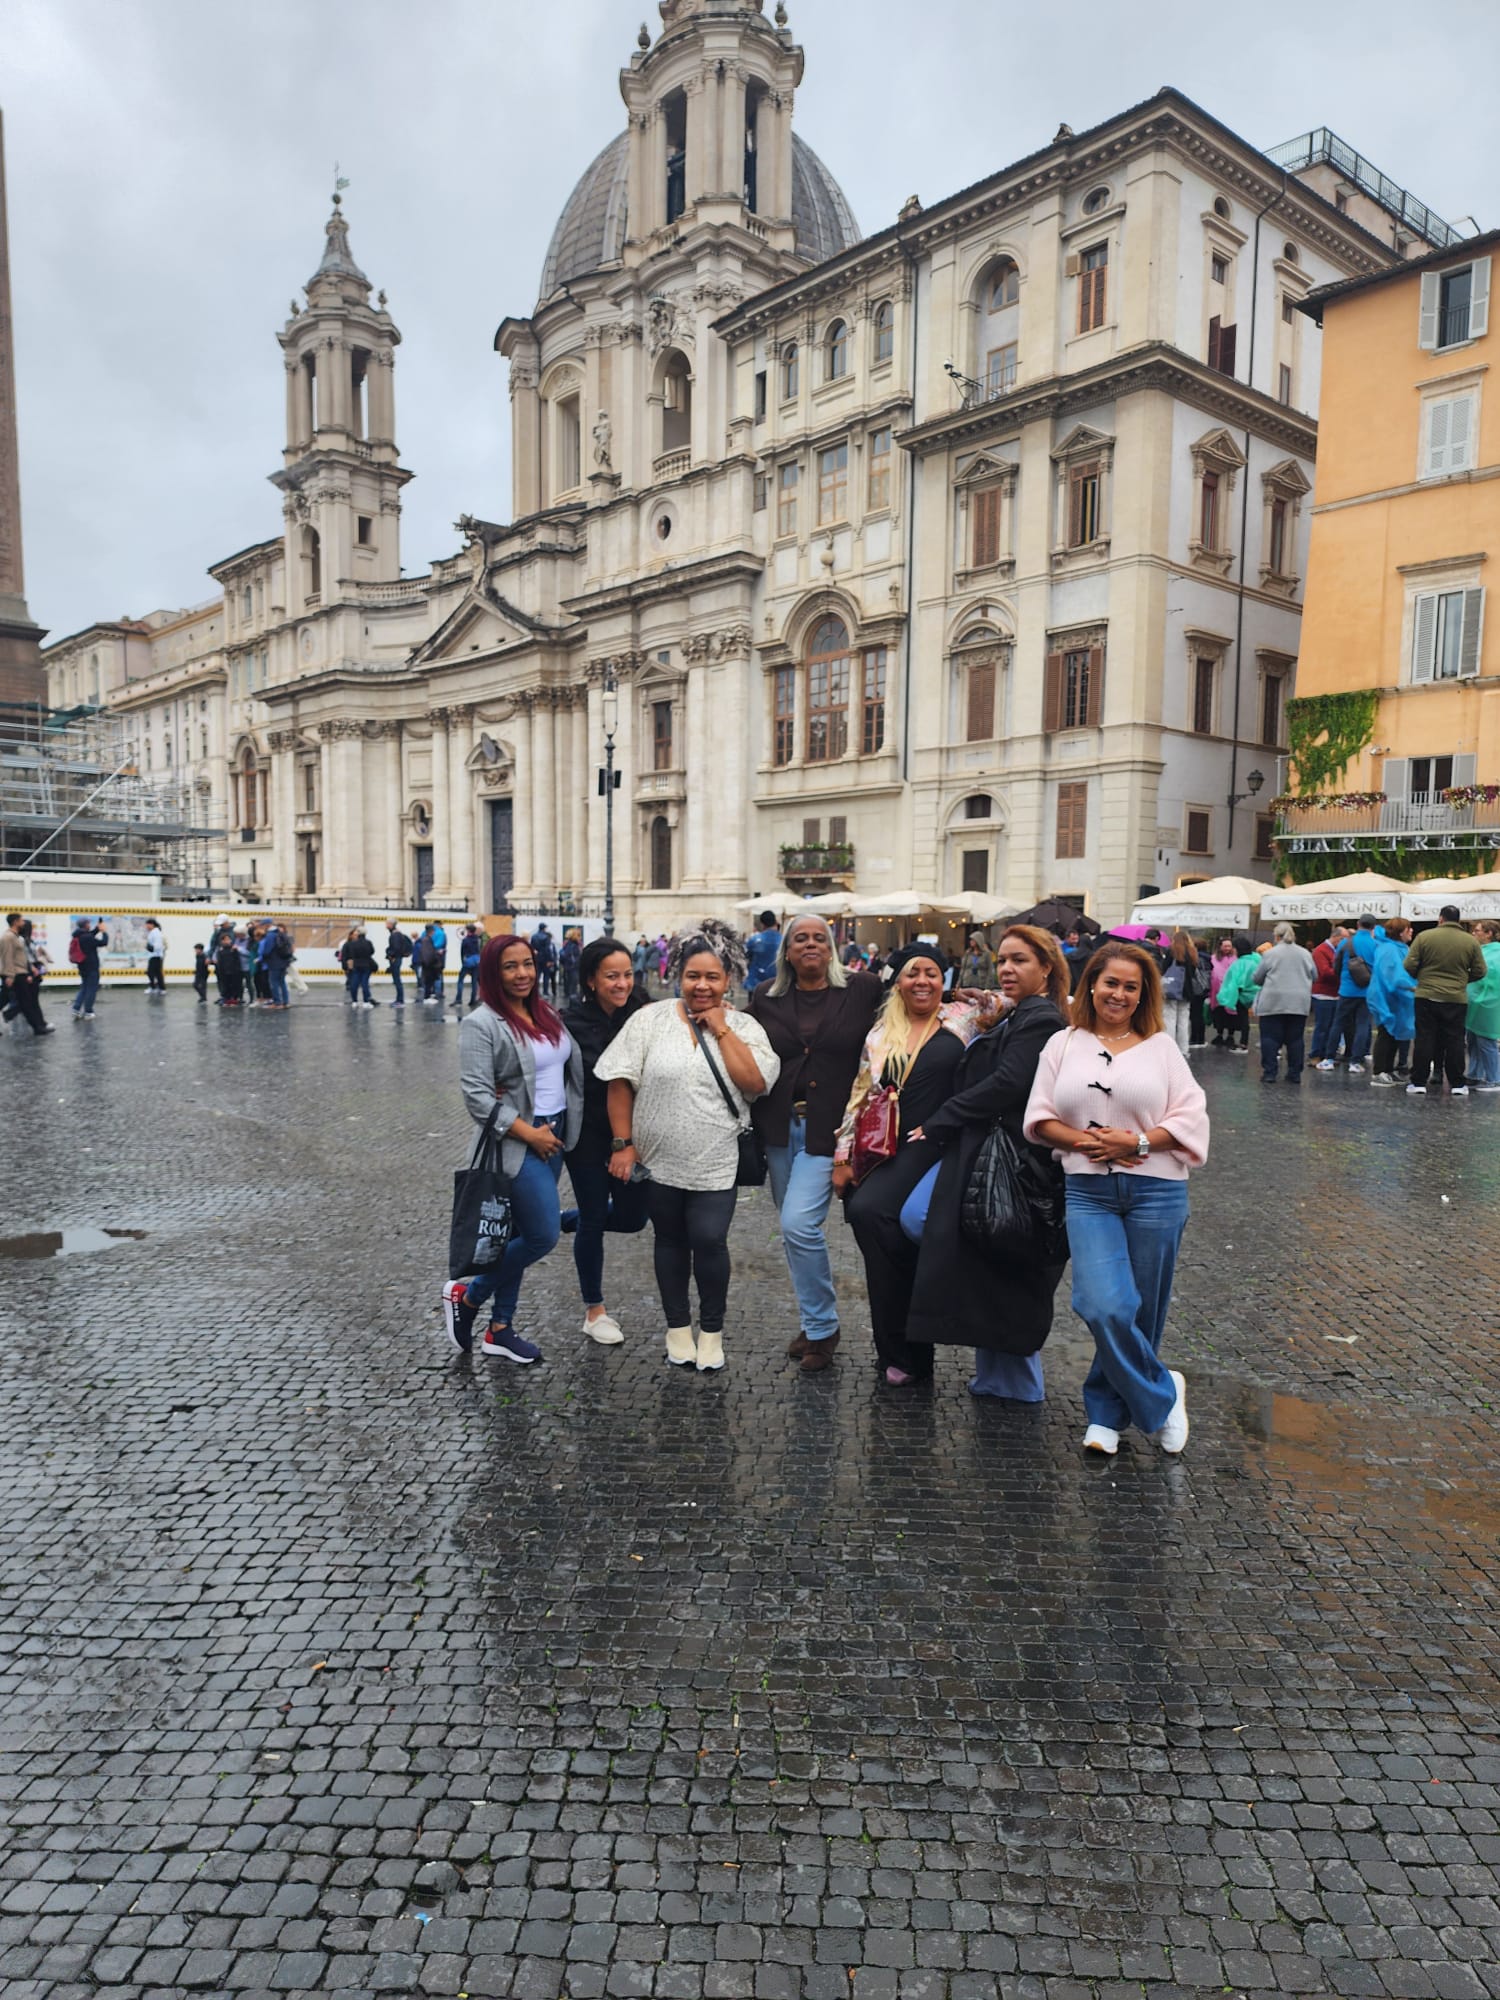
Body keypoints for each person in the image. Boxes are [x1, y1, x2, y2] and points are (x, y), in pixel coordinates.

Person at [1025, 942, 1209, 1457]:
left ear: (1143, 994)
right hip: (1089, 1192)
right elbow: (1039, 1117)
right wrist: (1090, 1143)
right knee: (1102, 1303)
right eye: (1111, 983)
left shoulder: (1162, 1047)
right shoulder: (1062, 1044)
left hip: (1158, 1191)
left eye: (1131, 987)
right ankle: (1164, 1392)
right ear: (1091, 985)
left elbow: (1191, 1116)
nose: (1119, 994)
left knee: (1142, 1311)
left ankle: (1105, 1414)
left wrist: (1138, 1143)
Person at [595, 920, 779, 1372]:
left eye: (712, 977)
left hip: (716, 1159)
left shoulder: (745, 1026)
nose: (702, 985)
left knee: (710, 1240)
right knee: (670, 1240)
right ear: (678, 975)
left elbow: (755, 1083)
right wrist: (623, 1144)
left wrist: (722, 1029)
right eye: (693, 976)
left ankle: (711, 1332)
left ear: (728, 979)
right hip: (659, 1160)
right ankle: (677, 1328)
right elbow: (620, 1083)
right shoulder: (650, 1020)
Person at [903, 925, 1072, 1400]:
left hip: (1010, 1154)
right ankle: (998, 1376)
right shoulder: (1019, 1011)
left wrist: (942, 1119)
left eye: (1019, 960)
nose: (1007, 969)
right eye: (1003, 961)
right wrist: (985, 1013)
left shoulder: (1041, 1019)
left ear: (1046, 968)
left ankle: (1014, 1381)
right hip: (987, 1145)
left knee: (979, 1244)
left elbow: (1009, 1082)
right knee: (984, 1250)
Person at [834, 944, 979, 1385]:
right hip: (889, 1144)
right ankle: (902, 1350)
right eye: (912, 972)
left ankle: (908, 1342)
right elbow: (860, 1095)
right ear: (897, 981)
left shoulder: (964, 1018)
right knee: (874, 1222)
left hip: (940, 1142)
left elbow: (1015, 1000)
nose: (922, 981)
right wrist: (843, 1156)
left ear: (944, 979)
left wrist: (963, 994)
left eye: (932, 973)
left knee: (869, 1210)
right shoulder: (881, 1033)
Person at [748, 915, 883, 1372]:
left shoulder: (862, 988)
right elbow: (741, 1039)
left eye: (819, 938)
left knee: (798, 1224)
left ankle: (823, 1329)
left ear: (832, 949)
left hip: (832, 1131)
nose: (810, 944)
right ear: (786, 951)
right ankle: (813, 1322)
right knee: (794, 1232)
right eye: (800, 938)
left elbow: (909, 1005)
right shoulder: (765, 996)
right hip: (780, 1128)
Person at [445, 934, 584, 1363]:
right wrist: (529, 1132)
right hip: (518, 1141)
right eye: (510, 966)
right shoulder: (482, 1023)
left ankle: (500, 1328)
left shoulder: (546, 1012)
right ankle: (468, 1296)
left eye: (528, 964)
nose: (523, 973)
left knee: (518, 1236)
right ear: (493, 972)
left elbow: (562, 1069)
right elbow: (476, 1097)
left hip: (556, 1135)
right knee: (542, 1236)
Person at [560, 937, 652, 1344]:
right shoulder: (569, 1022)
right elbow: (537, 1059)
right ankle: (594, 1310)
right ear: (591, 980)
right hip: (587, 1136)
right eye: (612, 976)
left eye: (628, 974)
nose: (622, 983)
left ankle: (565, 1221)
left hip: (634, 1137)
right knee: (595, 1217)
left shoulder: (646, 1013)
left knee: (634, 1218)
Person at [1405, 906, 1486, 1096]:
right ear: (1458, 920)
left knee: (1424, 1038)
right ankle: (1457, 1084)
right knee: (1455, 1039)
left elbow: (1409, 964)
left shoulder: (1424, 937)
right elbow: (1480, 970)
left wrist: (1421, 978)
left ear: (1440, 918)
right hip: (1456, 998)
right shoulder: (1470, 941)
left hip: (1426, 995)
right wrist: (1462, 981)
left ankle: (1418, 1082)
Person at [1251, 922, 1316, 1084]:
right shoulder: (1305, 953)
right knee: (1295, 1039)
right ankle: (1294, 1074)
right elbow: (1315, 975)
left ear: (1276, 936)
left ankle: (1270, 1073)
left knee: (1270, 1037)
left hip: (1273, 1001)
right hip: (1299, 1002)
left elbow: (1257, 978)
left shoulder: (1270, 954)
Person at [1320, 913, 1379, 1073]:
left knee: (1338, 1023)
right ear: (1373, 927)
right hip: (1366, 991)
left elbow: (1336, 966)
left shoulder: (1345, 943)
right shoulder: (1375, 945)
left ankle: (1329, 1058)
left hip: (1347, 990)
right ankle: (1355, 1061)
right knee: (1362, 1025)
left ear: (1358, 924)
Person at [1368, 919, 1416, 1085]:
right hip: (1387, 998)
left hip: (1394, 998)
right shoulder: (1390, 949)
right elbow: (1392, 975)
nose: (1411, 931)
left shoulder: (1396, 948)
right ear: (1401, 932)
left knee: (1394, 1034)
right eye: (1409, 929)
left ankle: (1388, 1069)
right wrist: (1410, 986)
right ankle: (1379, 1071)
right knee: (1386, 1034)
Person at [1, 913, 52, 1036]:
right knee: (16, 1000)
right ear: (15, 922)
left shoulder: (16, 937)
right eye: (21, 921)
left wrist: (31, 968)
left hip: (20, 973)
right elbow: (7, 957)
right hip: (15, 974)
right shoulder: (8, 937)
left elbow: (21, 957)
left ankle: (37, 1027)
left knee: (23, 1001)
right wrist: (9, 975)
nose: (23, 923)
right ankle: (37, 1027)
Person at [1464, 919, 1500, 1091]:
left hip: (1488, 1003)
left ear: (1488, 934)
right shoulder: (1481, 951)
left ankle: (1494, 1079)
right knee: (1473, 1040)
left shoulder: (1495, 953)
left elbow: (1490, 975)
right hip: (1476, 1001)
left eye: (1477, 931)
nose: (1473, 934)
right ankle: (1474, 1075)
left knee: (1486, 1041)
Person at [1308, 924, 1348, 1065]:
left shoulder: (1335, 950)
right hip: (1323, 994)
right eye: (1343, 939)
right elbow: (1325, 972)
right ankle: (1316, 1054)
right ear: (1336, 937)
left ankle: (1328, 1054)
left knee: (1332, 1026)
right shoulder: (1321, 951)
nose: (1345, 942)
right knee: (1322, 1026)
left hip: (1335, 993)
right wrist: (1344, 972)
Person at [1212, 935, 1259, 1053]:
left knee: (1243, 1020)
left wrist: (1228, 997)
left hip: (1241, 995)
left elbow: (1236, 983)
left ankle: (1243, 1044)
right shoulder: (1255, 961)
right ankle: (1244, 1042)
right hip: (1253, 994)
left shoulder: (1239, 964)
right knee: (1245, 1020)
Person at [1160, 930, 1199, 1055]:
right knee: (1183, 1020)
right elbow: (1193, 972)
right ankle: (1184, 1049)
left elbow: (1163, 969)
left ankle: (1170, 1050)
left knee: (1169, 1019)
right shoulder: (1193, 953)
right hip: (1187, 990)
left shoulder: (1172, 951)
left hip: (1171, 989)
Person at [70, 918, 108, 1019]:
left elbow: (90, 934)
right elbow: (104, 942)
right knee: (91, 989)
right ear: (85, 925)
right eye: (88, 923)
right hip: (91, 967)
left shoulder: (78, 935)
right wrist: (104, 932)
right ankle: (88, 1011)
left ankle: (76, 1009)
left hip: (82, 966)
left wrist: (98, 928)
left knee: (84, 988)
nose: (89, 925)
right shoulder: (87, 937)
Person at [744, 910, 782, 992]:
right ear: (775, 922)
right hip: (777, 983)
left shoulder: (754, 940)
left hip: (756, 983)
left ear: (762, 924)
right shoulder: (783, 940)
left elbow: (745, 956)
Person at [341, 926, 376, 1008]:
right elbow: (372, 952)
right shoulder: (368, 943)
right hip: (366, 965)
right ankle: (366, 1002)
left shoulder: (353, 943)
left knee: (354, 984)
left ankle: (354, 1001)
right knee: (365, 984)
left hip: (356, 965)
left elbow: (351, 954)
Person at [263, 924, 295, 1009]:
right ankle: (286, 1002)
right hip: (284, 962)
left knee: (274, 982)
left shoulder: (270, 936)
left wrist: (263, 957)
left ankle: (277, 1003)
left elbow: (267, 950)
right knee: (282, 982)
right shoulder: (283, 934)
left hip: (274, 963)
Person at [453, 924, 484, 1010]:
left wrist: (463, 962)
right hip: (477, 962)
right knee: (474, 982)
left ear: (468, 930)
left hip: (468, 962)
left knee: (460, 980)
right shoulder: (478, 939)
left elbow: (462, 952)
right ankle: (472, 1000)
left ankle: (459, 999)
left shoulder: (466, 940)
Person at [385, 919, 413, 1006]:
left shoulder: (395, 935)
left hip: (395, 959)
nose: (386, 925)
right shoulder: (397, 934)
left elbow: (396, 947)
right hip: (397, 958)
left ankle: (400, 1000)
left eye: (387, 923)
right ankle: (399, 999)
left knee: (397, 980)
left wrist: (392, 955)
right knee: (397, 980)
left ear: (391, 924)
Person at [215, 931, 245, 1007]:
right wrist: (220, 971)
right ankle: (227, 999)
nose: (227, 941)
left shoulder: (234, 949)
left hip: (234, 971)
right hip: (224, 971)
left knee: (235, 985)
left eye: (228, 939)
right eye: (225, 940)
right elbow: (220, 962)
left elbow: (237, 961)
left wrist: (238, 970)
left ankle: (235, 998)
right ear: (222, 941)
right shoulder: (220, 950)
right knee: (226, 985)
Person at [529, 924, 557, 1001]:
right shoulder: (546, 937)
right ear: (544, 928)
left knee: (537, 976)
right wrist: (550, 960)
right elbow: (548, 949)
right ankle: (545, 992)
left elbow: (532, 947)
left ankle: (536, 992)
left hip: (537, 958)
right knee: (546, 976)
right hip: (545, 959)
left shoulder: (534, 936)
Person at [559, 929, 582, 1005]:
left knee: (570, 984)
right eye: (578, 935)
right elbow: (572, 957)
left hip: (569, 967)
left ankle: (570, 998)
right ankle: (573, 1003)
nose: (580, 937)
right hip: (573, 968)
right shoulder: (573, 945)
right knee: (573, 985)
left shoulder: (568, 944)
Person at [145, 919, 167, 995]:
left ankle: (153, 987)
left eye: (147, 925)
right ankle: (161, 988)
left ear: (152, 924)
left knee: (150, 972)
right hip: (154, 956)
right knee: (157, 973)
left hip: (155, 956)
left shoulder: (156, 933)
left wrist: (150, 948)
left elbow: (158, 945)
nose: (146, 926)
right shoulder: (153, 932)